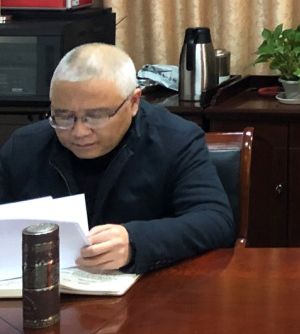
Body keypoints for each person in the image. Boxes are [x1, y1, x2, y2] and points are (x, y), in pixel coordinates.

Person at [0, 43, 235, 273]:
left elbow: (216, 221)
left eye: (96, 116)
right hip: (42, 287)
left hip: (148, 289)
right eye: (63, 116)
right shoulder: (24, 147)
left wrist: (134, 242)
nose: (79, 131)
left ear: (133, 102)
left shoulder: (175, 140)